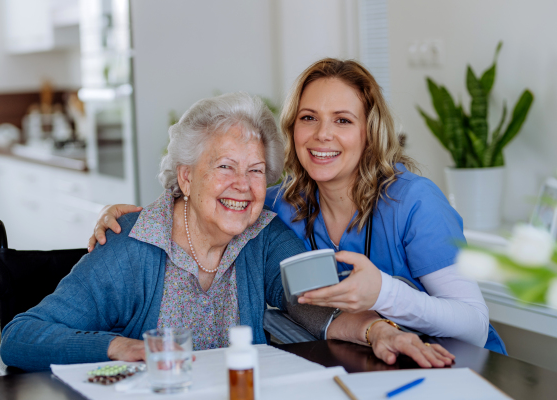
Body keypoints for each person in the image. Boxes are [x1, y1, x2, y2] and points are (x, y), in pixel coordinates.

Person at [1, 92, 453, 372]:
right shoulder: (132, 244)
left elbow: (315, 305)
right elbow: (22, 336)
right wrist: (121, 346)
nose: (243, 185)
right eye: (224, 167)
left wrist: (379, 332)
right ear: (186, 178)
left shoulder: (263, 235)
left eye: (256, 170)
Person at [91, 59, 506, 354]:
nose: (322, 135)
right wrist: (140, 216)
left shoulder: (415, 202)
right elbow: (216, 202)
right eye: (309, 118)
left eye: (342, 120)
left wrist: (383, 292)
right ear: (292, 129)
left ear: (369, 132)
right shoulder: (281, 204)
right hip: (360, 362)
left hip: (456, 368)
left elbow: (474, 324)